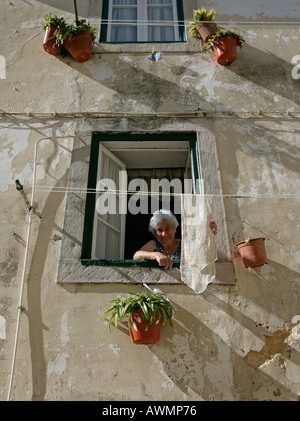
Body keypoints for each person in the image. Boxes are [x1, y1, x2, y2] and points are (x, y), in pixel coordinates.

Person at [133, 209, 218, 269]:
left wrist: (210, 235)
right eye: (159, 230)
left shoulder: (185, 244)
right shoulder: (154, 244)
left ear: (174, 229)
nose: (164, 234)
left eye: (167, 229)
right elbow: (136, 256)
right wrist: (156, 255)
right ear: (155, 233)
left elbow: (204, 253)